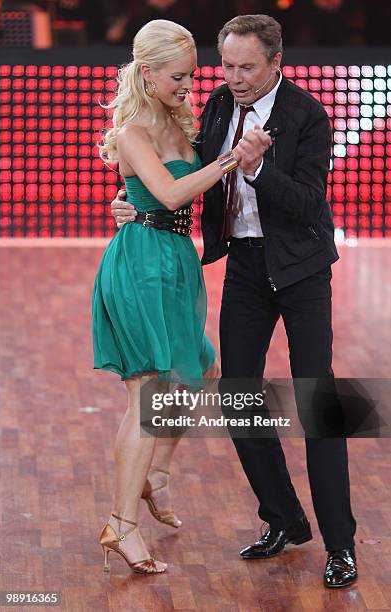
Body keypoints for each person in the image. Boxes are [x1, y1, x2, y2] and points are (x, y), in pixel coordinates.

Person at [111, 14, 358, 588]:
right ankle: (285, 520)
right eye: (227, 65)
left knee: (316, 399)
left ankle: (340, 545)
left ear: (276, 63)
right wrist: (134, 205)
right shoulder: (219, 106)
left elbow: (308, 204)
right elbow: (172, 169)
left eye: (248, 67)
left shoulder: (307, 115)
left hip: (300, 270)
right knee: (239, 396)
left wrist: (259, 166)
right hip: (246, 269)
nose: (235, 77)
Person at [93, 18, 266, 575]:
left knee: (199, 372)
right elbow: (167, 192)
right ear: (147, 72)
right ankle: (121, 526)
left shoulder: (177, 115)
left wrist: (126, 196)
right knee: (146, 397)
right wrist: (231, 160)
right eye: (177, 77)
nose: (187, 86)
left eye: (191, 75)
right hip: (141, 263)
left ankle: (155, 477)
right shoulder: (133, 128)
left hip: (175, 262)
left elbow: (145, 190)